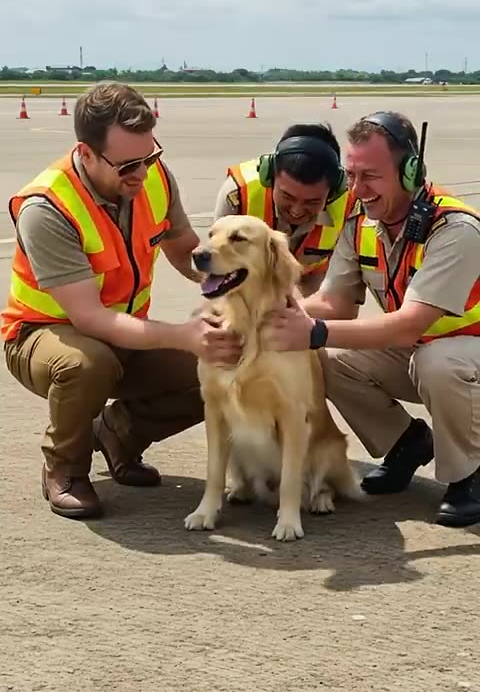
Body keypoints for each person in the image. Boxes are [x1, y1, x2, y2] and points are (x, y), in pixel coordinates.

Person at [1, 82, 240, 520]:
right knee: (87, 364)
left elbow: (186, 252)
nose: (142, 174)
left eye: (150, 156)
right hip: (43, 334)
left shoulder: (154, 178)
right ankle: (65, 469)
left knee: (225, 362)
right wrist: (182, 335)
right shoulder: (48, 208)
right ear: (87, 154)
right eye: (128, 165)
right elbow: (90, 318)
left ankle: (117, 435)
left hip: (123, 331)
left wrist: (242, 283)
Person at [261, 111, 480, 528]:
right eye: (352, 175)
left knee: (438, 363)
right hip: (421, 352)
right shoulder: (361, 221)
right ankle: (407, 442)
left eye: (371, 177)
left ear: (411, 171)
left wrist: (311, 331)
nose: (358, 189)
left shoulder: (455, 229)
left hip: (464, 356)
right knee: (327, 356)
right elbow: (335, 303)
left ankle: (469, 474)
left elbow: (408, 324)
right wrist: (267, 316)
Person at [214, 123, 357, 297]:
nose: (297, 210)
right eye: (287, 196)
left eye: (312, 202)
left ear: (333, 192)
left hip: (313, 280)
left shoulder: (349, 204)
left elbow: (338, 291)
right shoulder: (238, 194)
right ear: (270, 177)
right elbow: (218, 267)